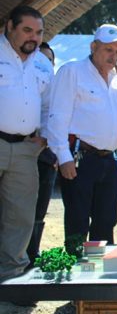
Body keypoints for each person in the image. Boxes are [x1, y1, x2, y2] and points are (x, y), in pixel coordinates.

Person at [47, 24, 117, 248]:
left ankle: (100, 269)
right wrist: (63, 156)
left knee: (106, 222)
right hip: (81, 157)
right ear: (93, 47)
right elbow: (58, 115)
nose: (113, 56)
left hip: (110, 160)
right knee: (77, 221)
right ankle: (75, 267)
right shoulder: (72, 71)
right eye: (108, 50)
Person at [0, 6, 53, 282]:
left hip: (25, 149)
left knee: (20, 217)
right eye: (27, 30)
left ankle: (11, 279)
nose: (34, 37)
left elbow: (49, 106)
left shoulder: (43, 64)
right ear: (10, 26)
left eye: (39, 32)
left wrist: (44, 136)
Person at [26, 42, 58, 266]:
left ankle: (32, 253)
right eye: (41, 59)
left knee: (39, 209)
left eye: (49, 60)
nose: (44, 64)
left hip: (46, 156)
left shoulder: (55, 91)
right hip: (21, 148)